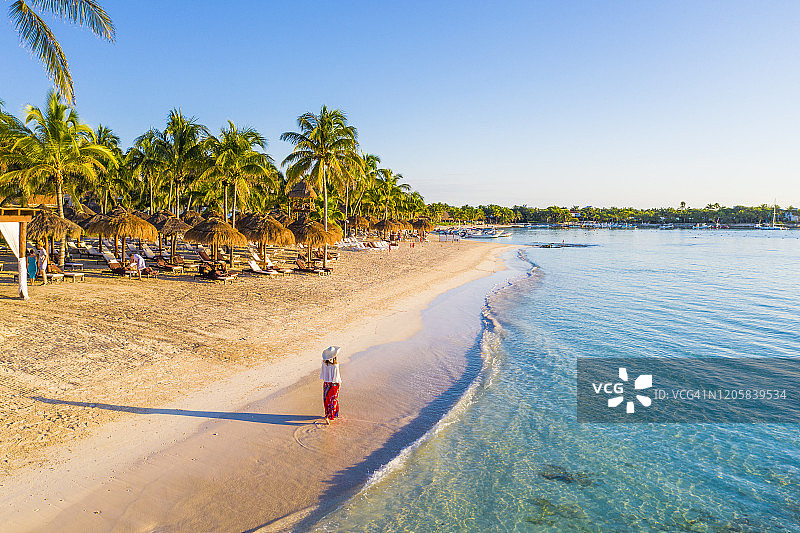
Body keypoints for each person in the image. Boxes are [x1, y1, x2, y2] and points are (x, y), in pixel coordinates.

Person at [320, 346, 341, 423]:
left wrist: (326, 381)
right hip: (334, 384)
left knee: (327, 399)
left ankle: (327, 414)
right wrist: (339, 384)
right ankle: (331, 415)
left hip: (326, 384)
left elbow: (322, 375)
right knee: (333, 400)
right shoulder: (335, 365)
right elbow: (336, 377)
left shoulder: (324, 364)